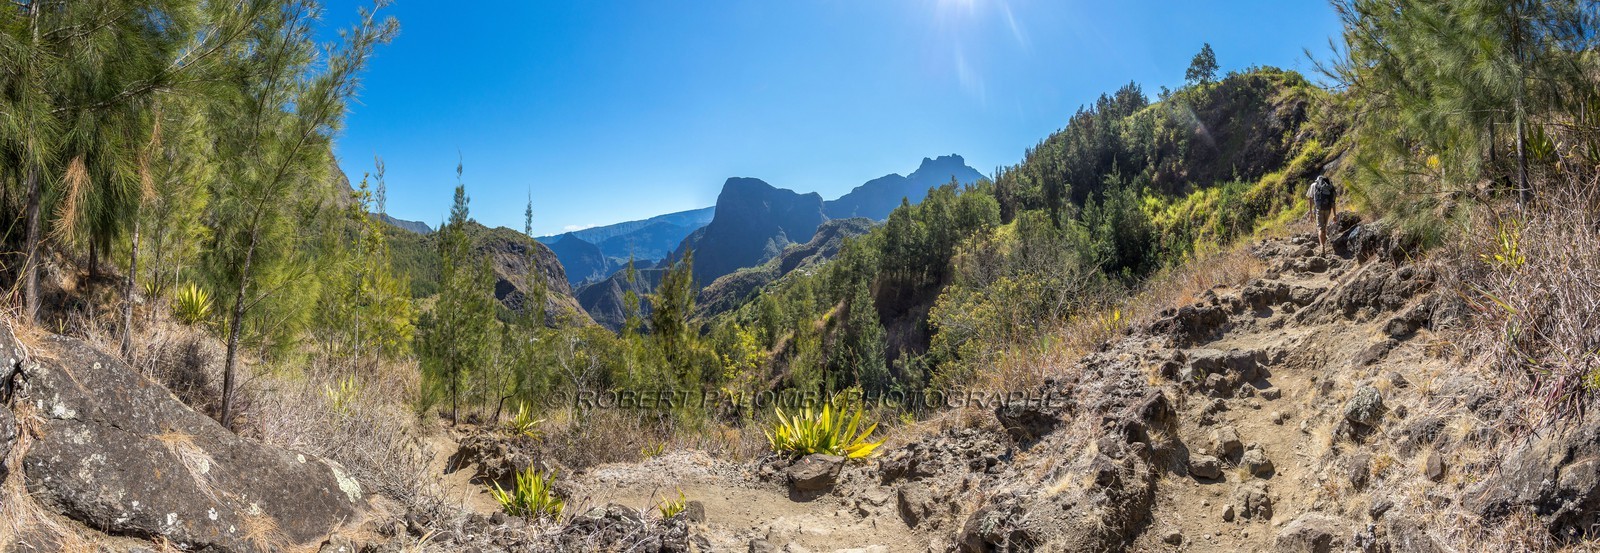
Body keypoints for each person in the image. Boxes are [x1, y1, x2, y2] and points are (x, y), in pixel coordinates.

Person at [1306, 175, 1338, 252]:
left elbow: (1310, 199)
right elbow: (1333, 201)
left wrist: (1310, 213)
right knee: (1324, 228)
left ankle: (1322, 246)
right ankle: (1323, 244)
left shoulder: (1314, 185)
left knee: (1320, 228)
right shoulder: (1330, 186)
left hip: (1319, 209)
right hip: (1328, 209)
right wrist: (1334, 214)